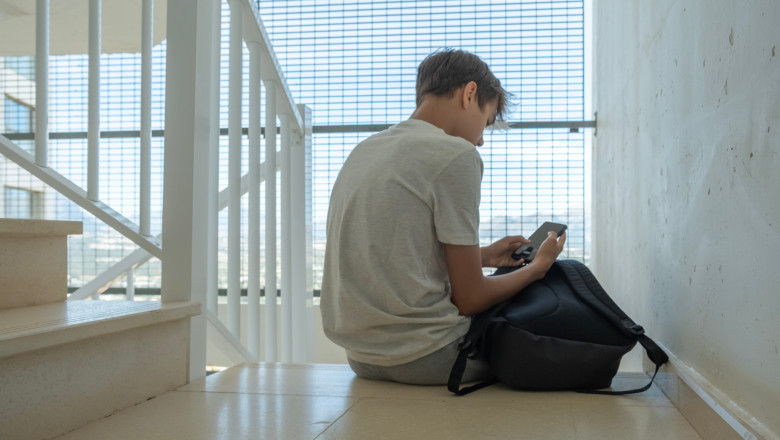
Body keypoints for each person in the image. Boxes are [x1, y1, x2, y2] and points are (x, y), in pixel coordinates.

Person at [320, 49, 566, 385]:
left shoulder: (366, 149)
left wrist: (482, 257)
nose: (481, 140)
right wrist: (537, 268)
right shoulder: (456, 154)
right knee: (558, 337)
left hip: (362, 358)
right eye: (487, 122)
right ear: (470, 94)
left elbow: (390, 252)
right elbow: (471, 299)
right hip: (429, 354)